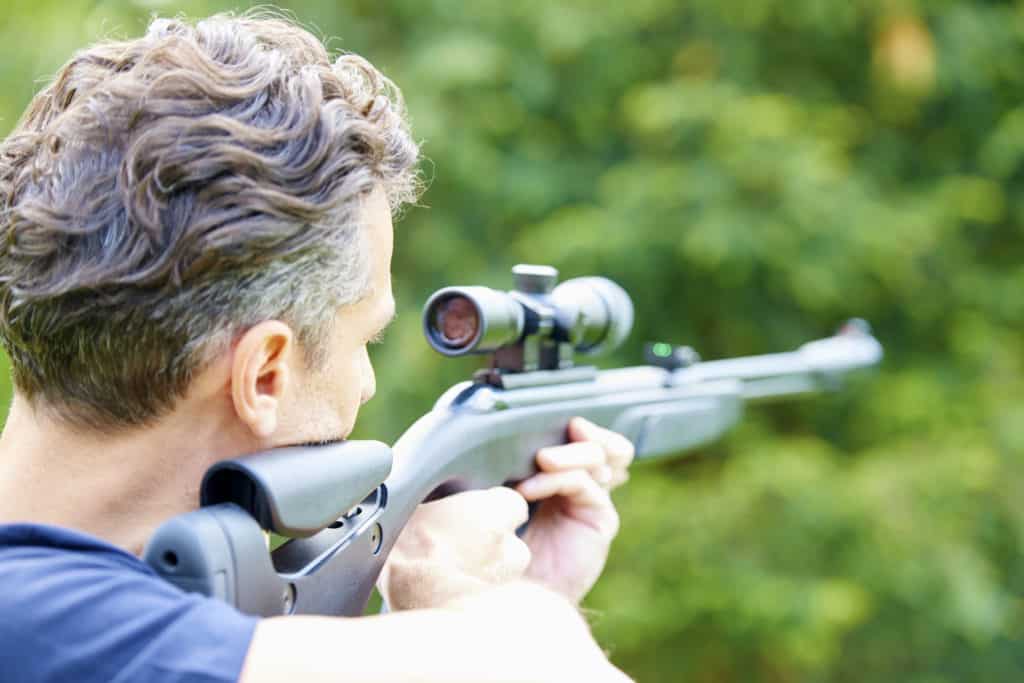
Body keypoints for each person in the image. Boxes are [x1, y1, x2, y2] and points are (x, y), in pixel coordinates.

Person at [0, 13, 635, 683]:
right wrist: (478, 601)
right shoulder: (57, 628)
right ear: (264, 373)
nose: (366, 385)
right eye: (366, 338)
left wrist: (534, 588)